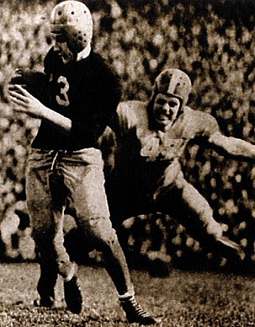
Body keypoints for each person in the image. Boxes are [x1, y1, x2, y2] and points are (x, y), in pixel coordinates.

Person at [8, 1, 157, 325]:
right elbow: (52, 94)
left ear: (79, 36)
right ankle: (68, 272)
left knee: (99, 231)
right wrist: (25, 82)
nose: (54, 45)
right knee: (44, 237)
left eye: (61, 38)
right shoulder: (53, 59)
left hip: (82, 157)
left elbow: (88, 132)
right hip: (43, 153)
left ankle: (129, 300)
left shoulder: (106, 79)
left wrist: (39, 110)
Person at [102, 68, 253, 266]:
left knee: (209, 229)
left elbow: (227, 145)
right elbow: (95, 115)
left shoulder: (190, 122)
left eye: (172, 104)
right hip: (125, 191)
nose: (165, 108)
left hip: (169, 188)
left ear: (181, 108)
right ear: (152, 99)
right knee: (88, 232)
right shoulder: (131, 114)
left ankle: (235, 256)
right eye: (161, 101)